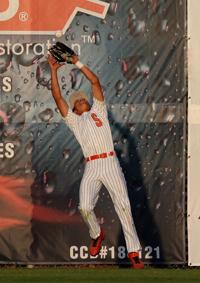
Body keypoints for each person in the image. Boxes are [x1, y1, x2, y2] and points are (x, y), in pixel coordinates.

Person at [48, 53, 144, 269]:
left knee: (124, 206)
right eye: (78, 101)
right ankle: (96, 233)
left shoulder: (98, 111)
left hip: (109, 163)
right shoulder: (74, 121)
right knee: (84, 207)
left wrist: (76, 62)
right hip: (92, 165)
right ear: (74, 108)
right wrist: (53, 70)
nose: (82, 100)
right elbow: (57, 97)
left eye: (83, 99)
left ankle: (134, 252)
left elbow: (95, 81)